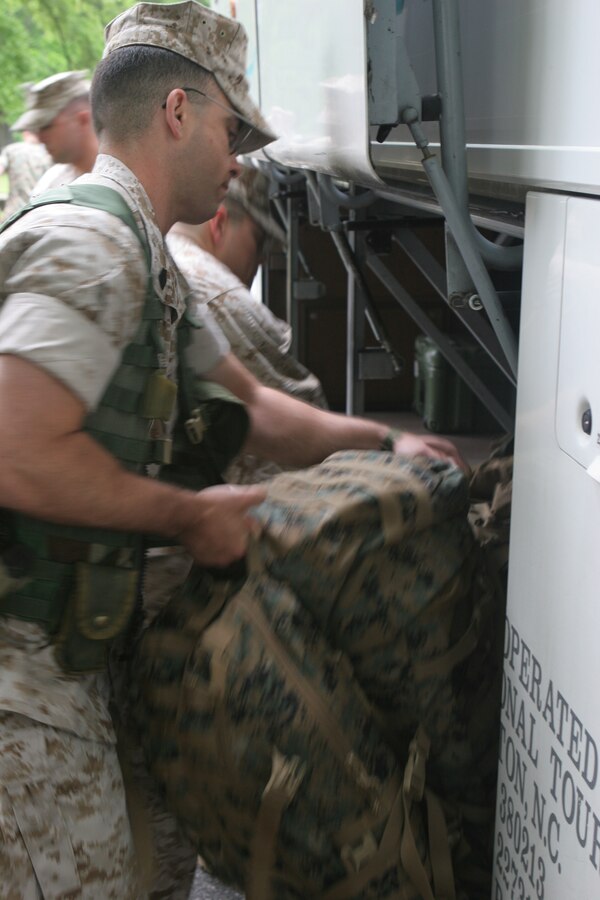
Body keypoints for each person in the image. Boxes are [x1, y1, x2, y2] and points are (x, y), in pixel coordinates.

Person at [0, 1, 464, 896]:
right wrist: (187, 516)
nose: (239, 158)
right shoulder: (93, 246)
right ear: (175, 111)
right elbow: (17, 448)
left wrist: (389, 443)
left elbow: (251, 408)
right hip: (24, 692)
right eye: (228, 127)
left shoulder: (147, 256)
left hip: (67, 677)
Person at [168, 164, 328, 485]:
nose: (262, 260)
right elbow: (299, 417)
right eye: (260, 242)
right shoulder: (218, 290)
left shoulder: (162, 252)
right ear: (219, 223)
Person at [11, 70, 99, 195]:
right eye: (36, 128)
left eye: (46, 126)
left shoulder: (126, 179)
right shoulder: (50, 184)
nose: (40, 138)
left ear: (82, 119)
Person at [0, 130, 50, 220]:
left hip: (13, 213)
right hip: (39, 213)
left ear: (25, 133)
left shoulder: (12, 150)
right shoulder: (48, 153)